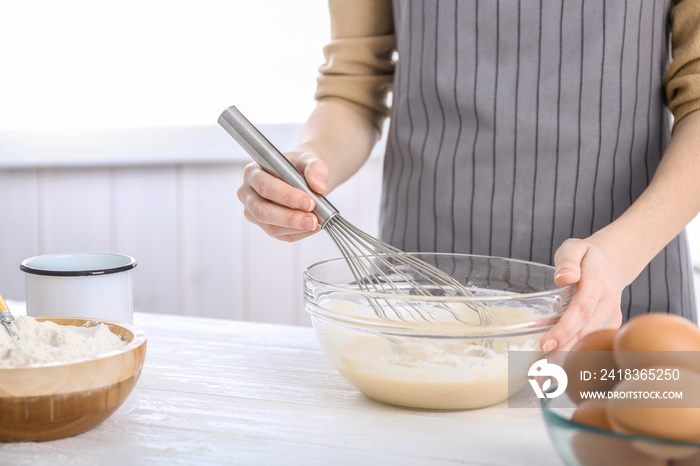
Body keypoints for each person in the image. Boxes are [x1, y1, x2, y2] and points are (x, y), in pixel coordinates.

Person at [237, 0, 700, 351]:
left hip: (623, 296)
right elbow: (353, 83)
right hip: (421, 304)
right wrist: (309, 164)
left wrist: (620, 254)